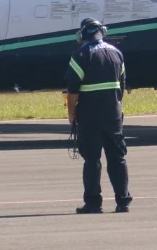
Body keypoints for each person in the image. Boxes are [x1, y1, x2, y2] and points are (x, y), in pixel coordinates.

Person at [64, 18, 131, 214]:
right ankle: (123, 201)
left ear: (82, 36)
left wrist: (71, 114)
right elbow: (122, 86)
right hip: (113, 114)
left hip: (90, 115)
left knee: (92, 160)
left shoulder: (80, 54)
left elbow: (72, 90)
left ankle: (94, 203)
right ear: (102, 32)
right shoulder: (117, 53)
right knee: (117, 158)